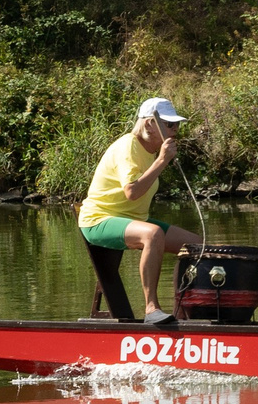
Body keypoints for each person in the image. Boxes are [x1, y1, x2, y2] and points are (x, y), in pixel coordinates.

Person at [78, 97, 202, 327]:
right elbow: (132, 192)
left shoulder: (150, 149)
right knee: (152, 234)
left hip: (132, 220)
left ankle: (182, 312)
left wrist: (161, 160)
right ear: (149, 124)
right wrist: (163, 161)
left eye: (177, 125)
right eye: (169, 124)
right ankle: (151, 308)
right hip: (98, 220)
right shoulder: (129, 146)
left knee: (195, 245)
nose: (175, 130)